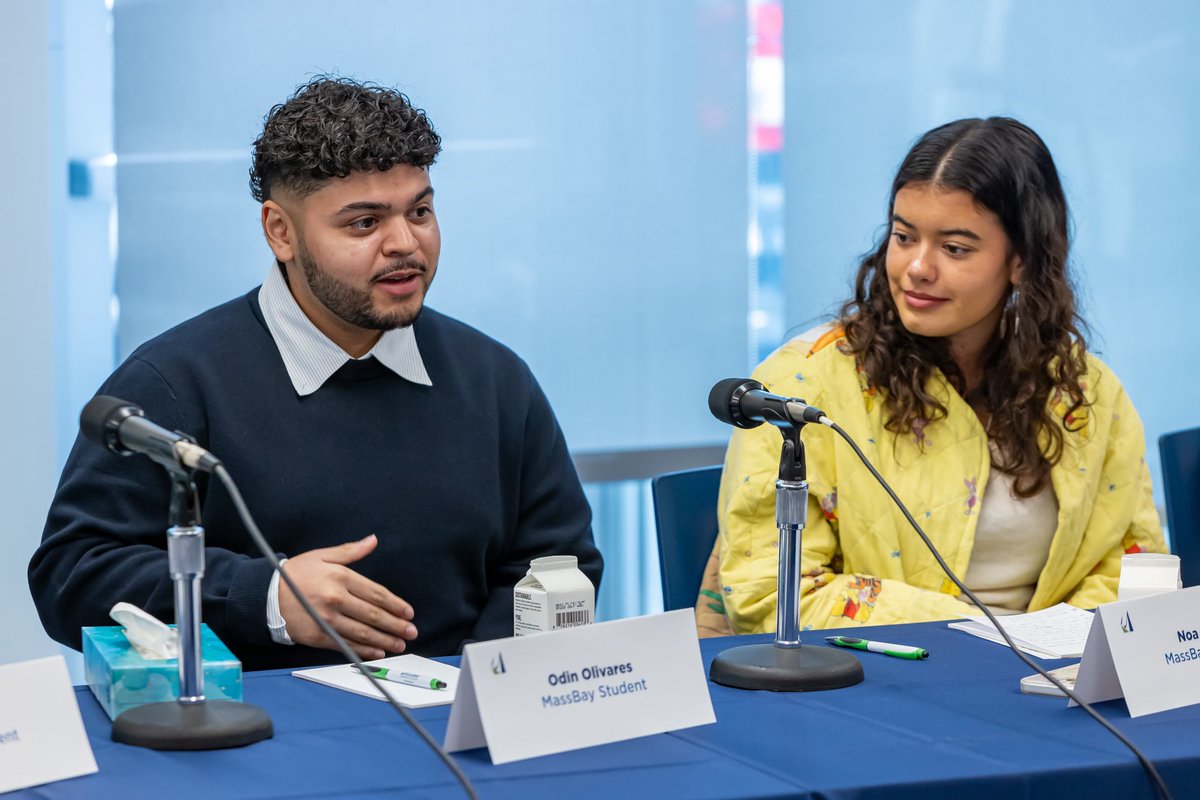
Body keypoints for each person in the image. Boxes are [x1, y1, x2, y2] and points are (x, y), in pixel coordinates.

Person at [29, 76, 602, 669]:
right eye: (363, 223)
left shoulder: (495, 378)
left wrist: (479, 688)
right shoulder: (174, 382)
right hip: (262, 738)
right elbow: (72, 575)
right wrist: (267, 599)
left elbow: (558, 564)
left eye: (421, 211)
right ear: (281, 231)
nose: (405, 243)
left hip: (463, 726)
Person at [698, 117, 1165, 636]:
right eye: (903, 236)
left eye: (955, 248)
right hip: (878, 687)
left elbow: (1133, 564)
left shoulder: (1083, 390)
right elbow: (771, 595)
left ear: (1021, 260)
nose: (917, 268)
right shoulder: (803, 386)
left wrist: (1055, 646)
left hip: (1051, 686)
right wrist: (987, 635)